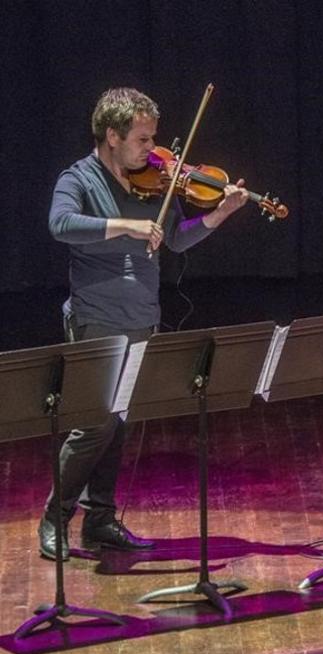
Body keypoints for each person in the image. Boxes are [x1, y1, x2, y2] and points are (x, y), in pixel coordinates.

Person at [39, 87, 250, 560]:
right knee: (93, 426)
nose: (153, 150)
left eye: (153, 137)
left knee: (120, 425)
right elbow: (61, 225)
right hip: (95, 318)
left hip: (141, 319)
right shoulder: (79, 178)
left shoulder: (156, 179)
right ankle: (54, 518)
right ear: (111, 136)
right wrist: (126, 227)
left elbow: (175, 239)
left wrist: (218, 213)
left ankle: (100, 521)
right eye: (141, 138)